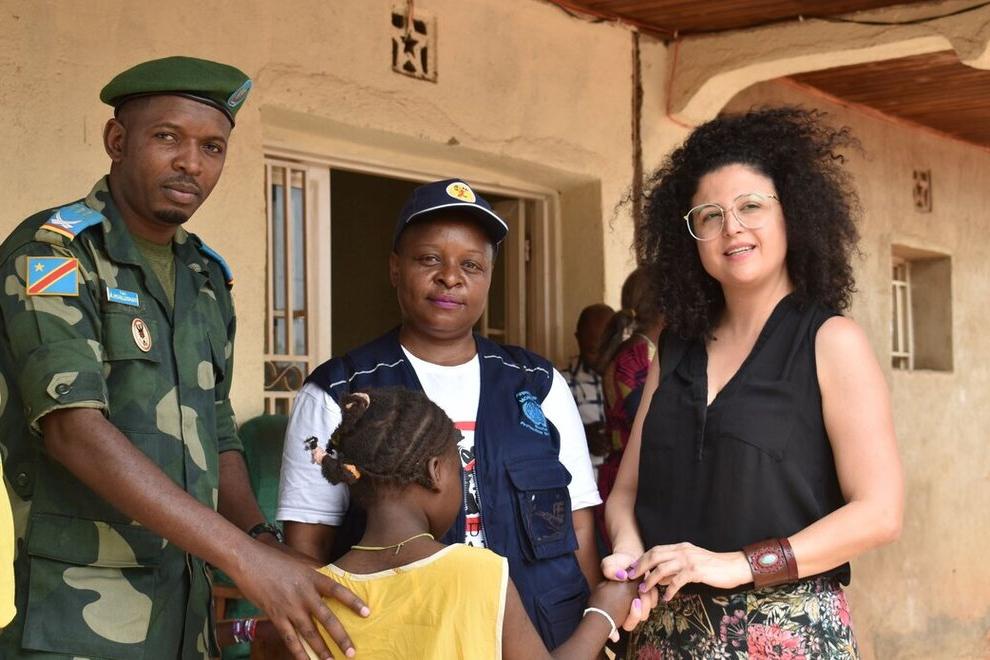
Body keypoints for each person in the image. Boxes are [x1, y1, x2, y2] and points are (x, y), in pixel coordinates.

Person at [0, 56, 366, 660]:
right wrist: (242, 556)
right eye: (168, 137)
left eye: (212, 147)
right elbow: (73, 431)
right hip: (79, 622)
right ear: (117, 141)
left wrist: (261, 539)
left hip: (187, 616)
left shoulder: (205, 277)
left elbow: (216, 429)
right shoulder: (55, 256)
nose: (191, 163)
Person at [602, 107, 904, 657]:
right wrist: (628, 554)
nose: (732, 228)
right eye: (710, 215)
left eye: (751, 206)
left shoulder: (831, 341)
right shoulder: (675, 350)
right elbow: (626, 492)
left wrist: (736, 564)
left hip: (786, 634)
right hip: (663, 635)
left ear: (793, 213)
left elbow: (879, 512)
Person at [277, 178, 604, 648]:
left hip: (550, 638)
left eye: (471, 264)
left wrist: (597, 628)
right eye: (429, 259)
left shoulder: (538, 383)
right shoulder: (339, 390)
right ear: (395, 268)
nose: (451, 277)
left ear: (489, 277)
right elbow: (307, 549)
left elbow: (580, 525)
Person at [307, 387, 640, 659]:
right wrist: (603, 614)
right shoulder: (478, 572)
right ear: (435, 472)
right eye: (459, 470)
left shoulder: (316, 591)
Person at [594, 267, 663, 550]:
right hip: (632, 484)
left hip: (626, 474)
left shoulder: (638, 351)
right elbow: (651, 427)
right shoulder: (637, 357)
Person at [562, 303, 615, 462]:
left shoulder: (631, 378)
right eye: (593, 350)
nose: (603, 358)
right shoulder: (562, 383)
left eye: (608, 349)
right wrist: (581, 436)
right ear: (578, 339)